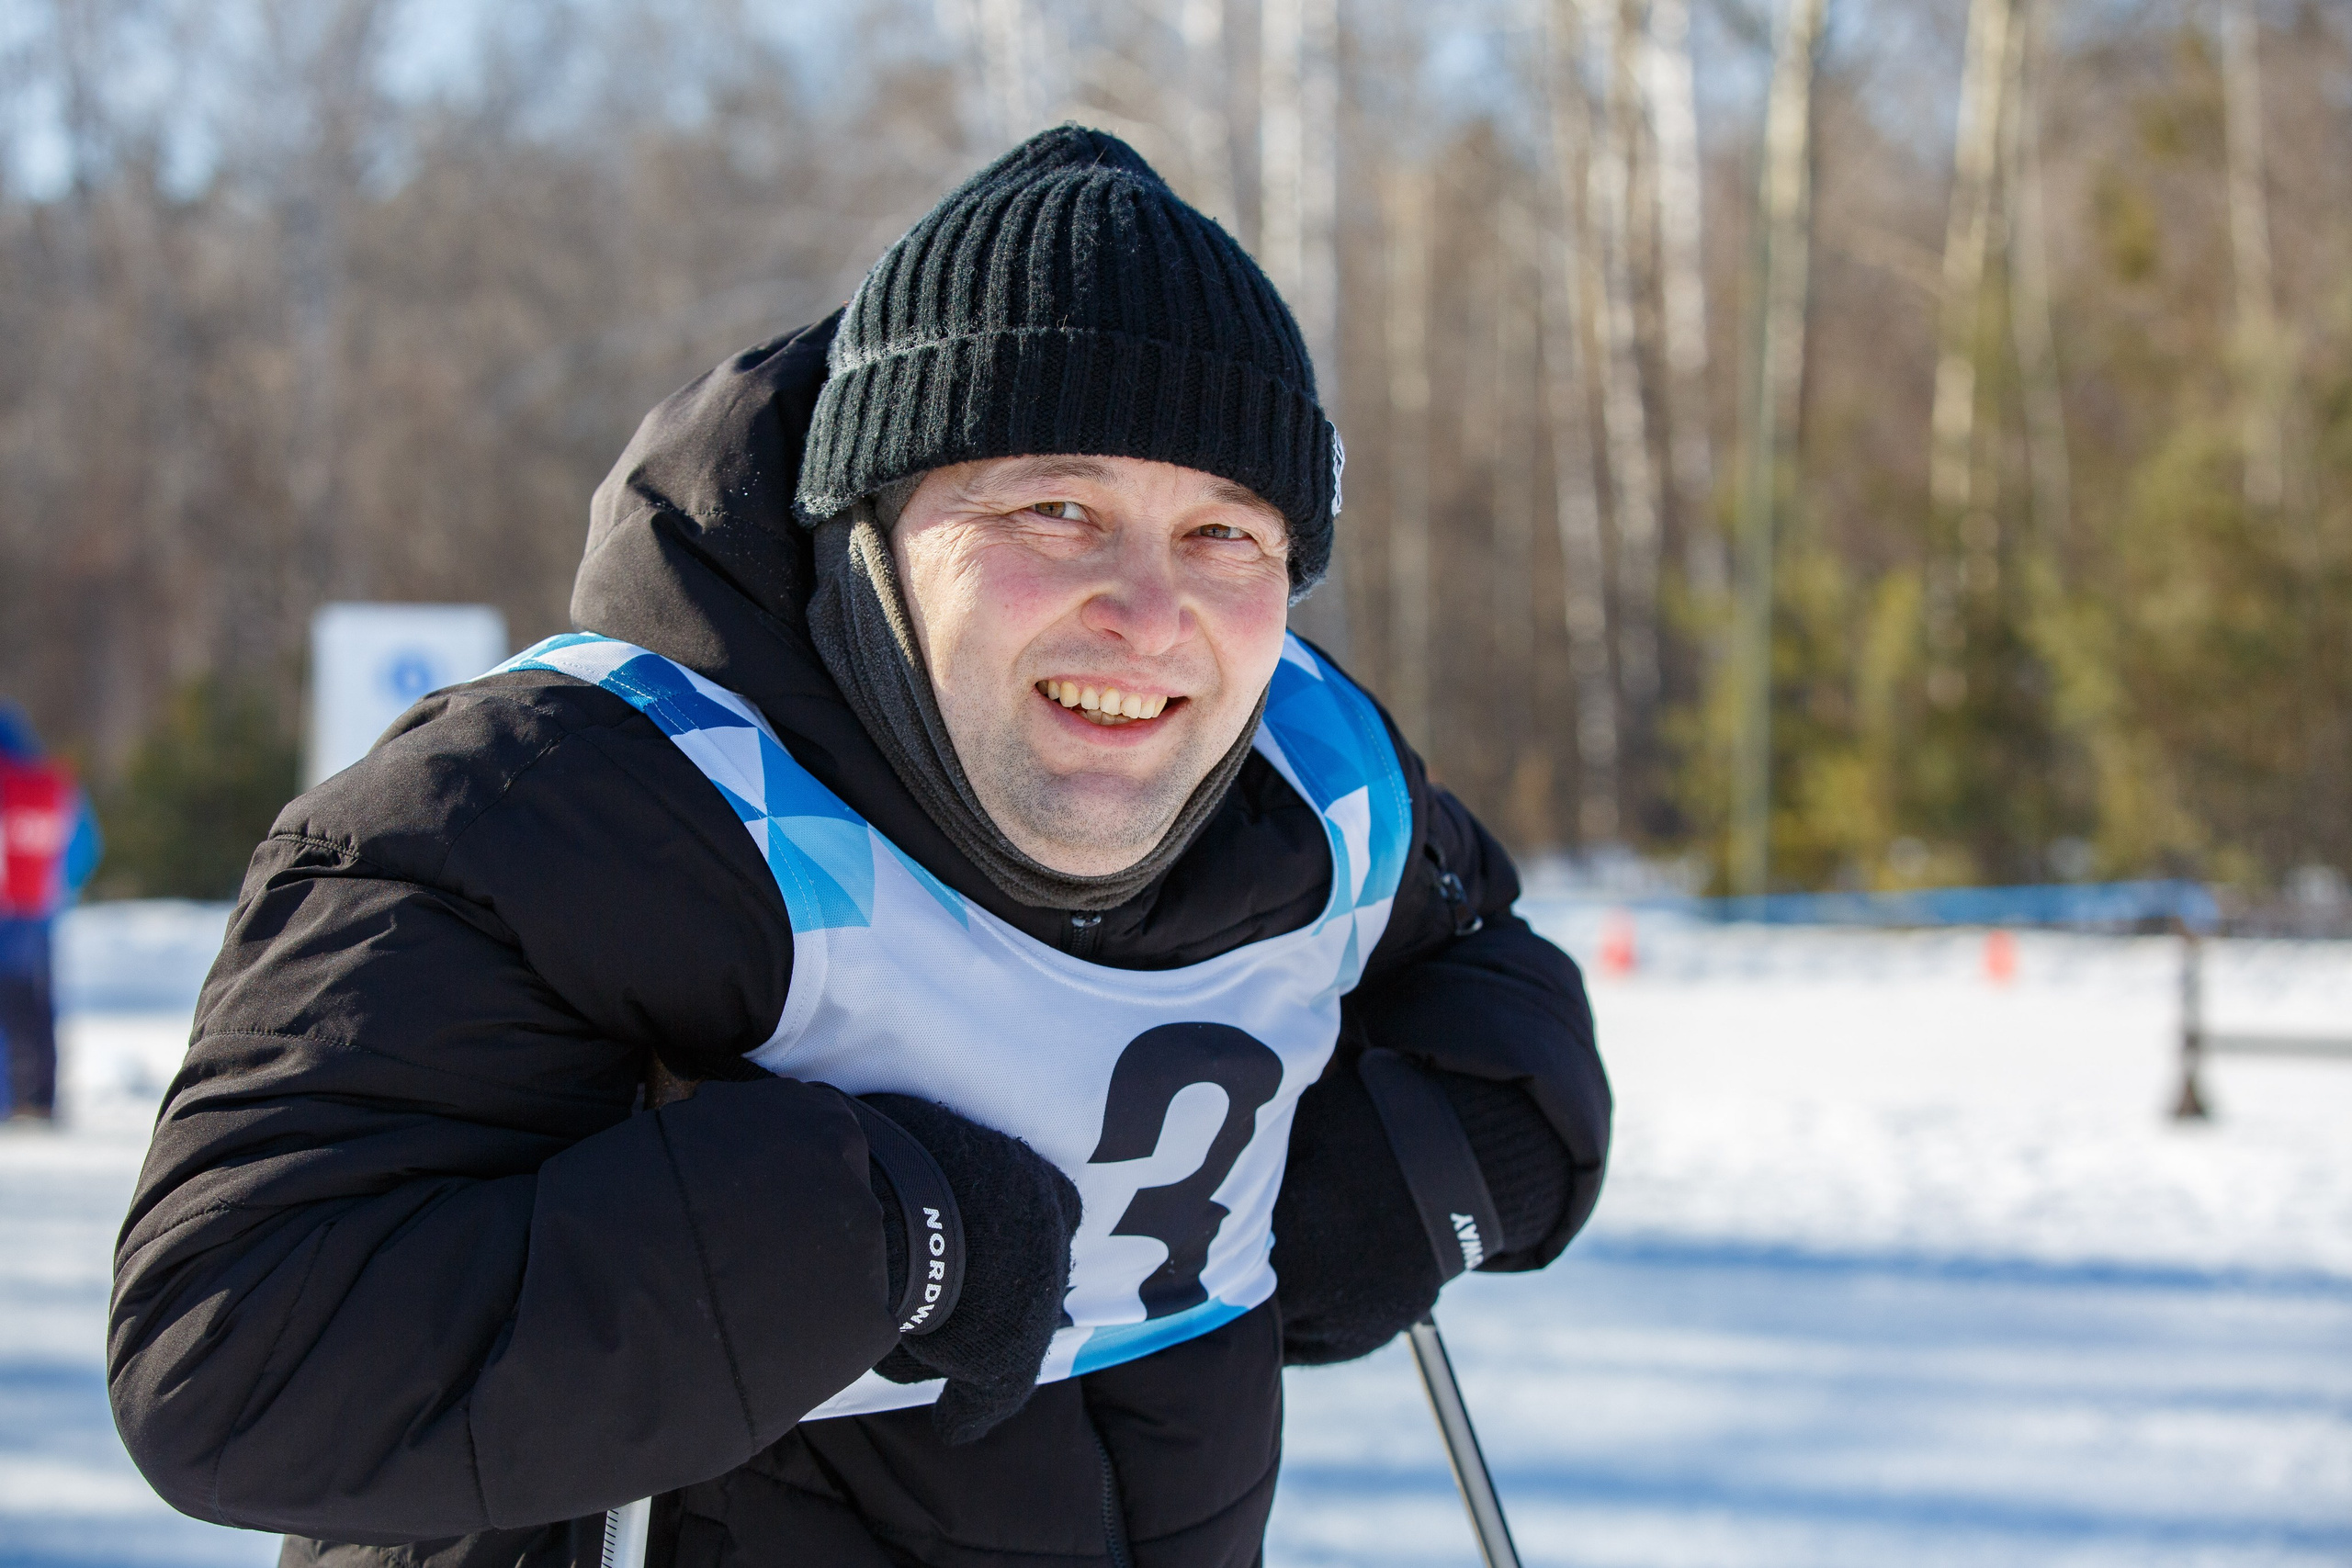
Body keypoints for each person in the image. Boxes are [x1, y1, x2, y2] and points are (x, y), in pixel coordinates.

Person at [110, 127, 1610, 1568]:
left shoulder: (1313, 773)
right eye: (1056, 506)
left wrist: (1446, 1152)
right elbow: (234, 1363)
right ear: (873, 533)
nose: (1153, 617)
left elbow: (1483, 963)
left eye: (1227, 533)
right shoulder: (573, 807)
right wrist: (880, 1238)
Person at [0, 701, 100, 1123]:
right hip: (39, 915)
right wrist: (57, 893)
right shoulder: (50, 783)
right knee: (37, 1009)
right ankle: (40, 1100)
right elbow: (86, 845)